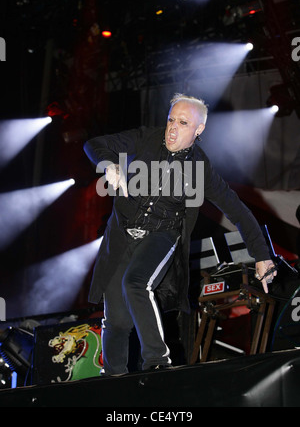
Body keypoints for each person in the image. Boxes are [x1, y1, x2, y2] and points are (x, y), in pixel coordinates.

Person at [84, 93, 276, 375]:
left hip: (161, 235)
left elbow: (238, 211)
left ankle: (157, 362)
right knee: (116, 320)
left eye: (183, 123)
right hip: (122, 235)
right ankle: (113, 380)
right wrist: (108, 164)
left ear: (198, 130)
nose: (173, 127)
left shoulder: (201, 169)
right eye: (171, 119)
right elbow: (95, 144)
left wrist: (262, 255)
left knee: (136, 283)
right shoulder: (145, 139)